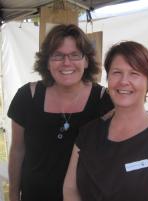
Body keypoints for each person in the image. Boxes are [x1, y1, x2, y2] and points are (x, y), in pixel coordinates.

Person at [63, 41, 148, 201]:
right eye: (117, 72)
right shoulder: (88, 132)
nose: (124, 81)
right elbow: (70, 189)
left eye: (134, 73)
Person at [7, 24, 114, 201]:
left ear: (86, 61)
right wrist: (13, 195)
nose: (66, 63)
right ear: (47, 62)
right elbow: (18, 150)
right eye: (58, 55)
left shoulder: (104, 100)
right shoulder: (27, 96)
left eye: (75, 55)